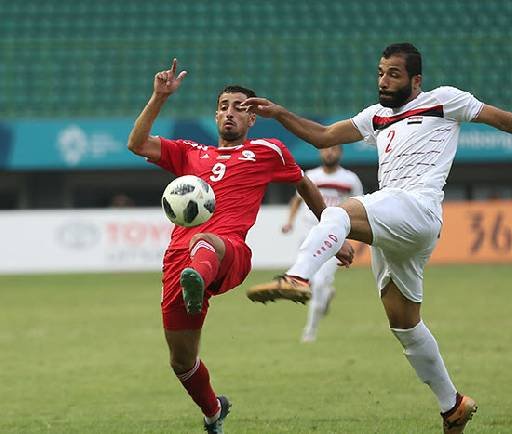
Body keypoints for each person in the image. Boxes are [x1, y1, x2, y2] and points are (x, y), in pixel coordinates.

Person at [243, 42, 512, 433]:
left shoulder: (444, 100)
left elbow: (504, 120)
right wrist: (278, 113)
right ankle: (453, 405)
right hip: (398, 227)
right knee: (404, 324)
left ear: (416, 80)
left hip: (418, 208)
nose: (383, 80)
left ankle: (298, 275)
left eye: (393, 74)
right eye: (381, 72)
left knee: (340, 211)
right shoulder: (376, 116)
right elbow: (323, 135)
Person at [126, 59, 352, 434]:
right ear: (216, 115)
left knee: (205, 240)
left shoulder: (268, 151)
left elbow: (305, 185)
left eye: (241, 108)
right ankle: (214, 411)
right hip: (179, 262)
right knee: (182, 361)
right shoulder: (188, 153)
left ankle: (197, 277)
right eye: (225, 106)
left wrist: (336, 234)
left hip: (228, 252)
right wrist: (158, 97)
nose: (231, 113)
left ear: (252, 121)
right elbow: (136, 144)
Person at [281, 145, 363, 342]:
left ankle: (310, 330)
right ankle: (325, 297)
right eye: (326, 149)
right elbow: (297, 200)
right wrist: (289, 221)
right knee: (309, 280)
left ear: (340, 153)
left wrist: (361, 240)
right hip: (309, 235)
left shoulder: (350, 179)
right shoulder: (311, 176)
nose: (330, 152)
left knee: (316, 284)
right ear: (320, 152)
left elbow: (360, 206)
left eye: (334, 149)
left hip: (333, 238)